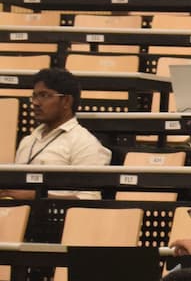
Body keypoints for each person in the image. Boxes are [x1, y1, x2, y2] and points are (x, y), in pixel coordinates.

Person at [1, 68, 112, 201]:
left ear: (66, 101)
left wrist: (37, 197)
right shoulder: (28, 141)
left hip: (57, 219)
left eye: (44, 95)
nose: (35, 103)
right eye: (34, 96)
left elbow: (89, 201)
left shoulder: (85, 143)